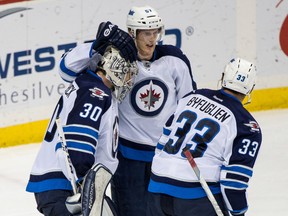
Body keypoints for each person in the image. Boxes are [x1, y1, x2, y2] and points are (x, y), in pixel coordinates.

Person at [58, 5, 197, 216]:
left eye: (155, 32)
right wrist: (97, 44)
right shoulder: (116, 58)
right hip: (126, 157)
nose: (152, 39)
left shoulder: (174, 59)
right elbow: (65, 69)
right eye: (146, 33)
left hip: (163, 156)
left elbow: (188, 105)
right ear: (132, 33)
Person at [26, 44, 138, 216]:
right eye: (128, 72)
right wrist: (84, 188)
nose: (129, 79)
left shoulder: (92, 86)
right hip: (63, 184)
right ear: (115, 68)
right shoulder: (95, 92)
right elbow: (78, 147)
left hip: (66, 184)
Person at [147, 58, 262, 216]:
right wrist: (238, 212)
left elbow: (161, 144)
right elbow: (233, 183)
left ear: (223, 77)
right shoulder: (247, 125)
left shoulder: (192, 97)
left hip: (157, 188)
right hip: (195, 197)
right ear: (251, 88)